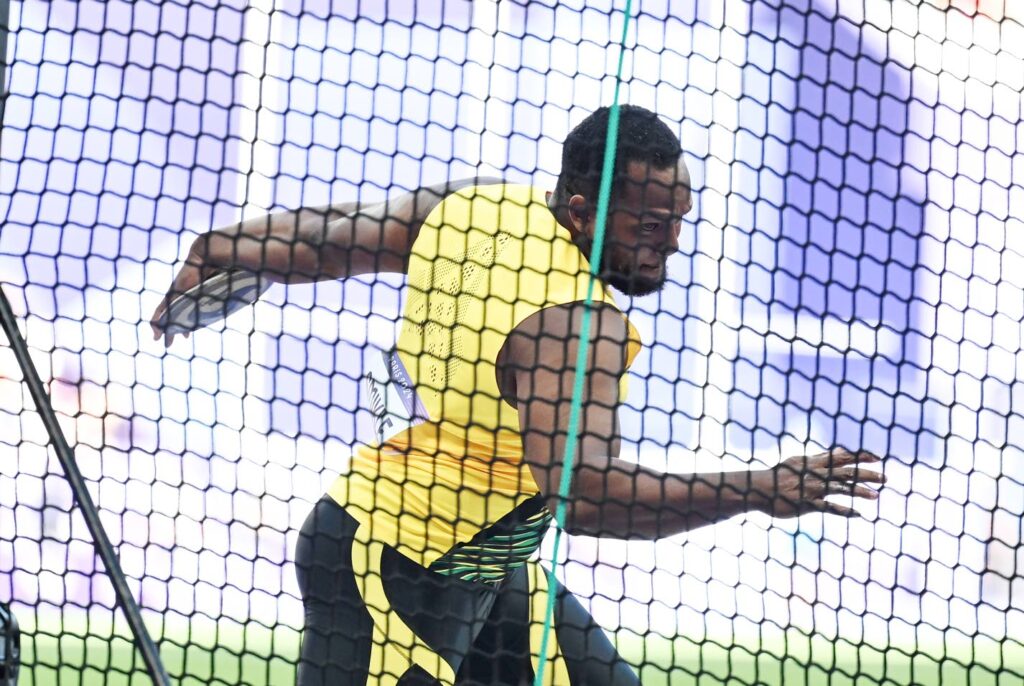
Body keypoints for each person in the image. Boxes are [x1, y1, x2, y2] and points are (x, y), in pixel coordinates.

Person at [151, 105, 885, 686]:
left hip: (484, 561)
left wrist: (220, 248)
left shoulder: (474, 207)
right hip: (398, 568)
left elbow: (332, 240)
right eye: (651, 226)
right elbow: (585, 499)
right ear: (581, 211)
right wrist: (758, 489)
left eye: (678, 223)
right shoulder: (577, 326)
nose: (670, 244)